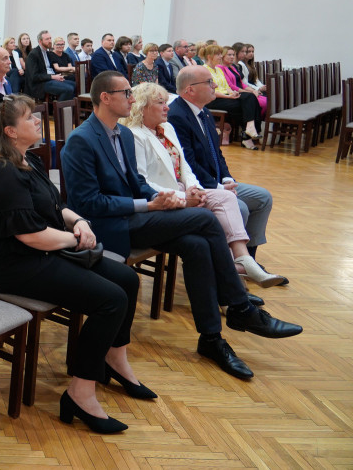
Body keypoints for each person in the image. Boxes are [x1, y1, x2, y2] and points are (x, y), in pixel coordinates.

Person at [61, 71, 301, 381]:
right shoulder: (83, 139)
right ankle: (241, 308)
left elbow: (135, 182)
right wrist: (149, 204)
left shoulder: (119, 134)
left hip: (133, 216)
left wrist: (159, 196)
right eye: (126, 93)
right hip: (110, 227)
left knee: (197, 245)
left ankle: (211, 339)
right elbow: (89, 204)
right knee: (203, 217)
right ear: (105, 98)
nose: (132, 99)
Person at [0, 94, 147, 434]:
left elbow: (55, 206)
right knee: (110, 300)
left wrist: (78, 221)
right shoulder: (0, 170)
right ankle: (80, 393)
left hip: (44, 250)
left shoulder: (28, 159)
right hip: (15, 264)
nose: (38, 121)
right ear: (10, 131)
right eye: (30, 118)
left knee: (126, 279)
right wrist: (76, 239)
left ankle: (114, 359)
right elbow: (30, 236)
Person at [125, 83, 286, 287]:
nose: (167, 107)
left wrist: (195, 188)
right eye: (160, 103)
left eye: (166, 102)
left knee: (229, 197)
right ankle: (232, 275)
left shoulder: (166, 127)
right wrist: (185, 197)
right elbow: (143, 182)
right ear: (142, 106)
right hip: (164, 199)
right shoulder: (134, 134)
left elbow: (185, 166)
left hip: (185, 190)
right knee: (221, 211)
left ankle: (242, 259)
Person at [168, 66, 284, 281]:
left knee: (262, 198)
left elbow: (217, 154)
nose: (215, 86)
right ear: (190, 90)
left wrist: (227, 178)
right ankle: (229, 270)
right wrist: (219, 187)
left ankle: (248, 259)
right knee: (238, 207)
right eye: (209, 82)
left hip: (217, 181)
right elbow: (188, 164)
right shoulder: (177, 116)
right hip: (198, 185)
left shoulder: (203, 111)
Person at [200, 45, 261, 147]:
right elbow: (209, 91)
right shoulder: (204, 70)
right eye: (218, 54)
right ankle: (249, 133)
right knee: (246, 103)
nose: (221, 56)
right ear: (210, 57)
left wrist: (233, 93)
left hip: (225, 96)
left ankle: (249, 129)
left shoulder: (218, 69)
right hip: (213, 100)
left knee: (250, 98)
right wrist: (228, 97)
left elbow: (227, 86)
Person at [25, 30, 75, 101]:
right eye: (47, 39)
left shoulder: (48, 53)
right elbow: (34, 76)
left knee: (75, 85)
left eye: (50, 38)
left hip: (51, 78)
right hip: (41, 83)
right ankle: (58, 110)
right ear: (40, 41)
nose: (50, 41)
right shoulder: (34, 54)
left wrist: (56, 76)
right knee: (68, 89)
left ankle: (68, 109)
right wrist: (52, 77)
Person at [221, 47, 266, 116]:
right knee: (256, 101)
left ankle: (256, 123)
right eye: (229, 55)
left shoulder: (233, 67)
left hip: (242, 90)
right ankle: (252, 124)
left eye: (233, 55)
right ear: (223, 56)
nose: (232, 57)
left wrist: (253, 90)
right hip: (235, 92)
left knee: (266, 101)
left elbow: (242, 83)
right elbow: (231, 86)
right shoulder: (221, 68)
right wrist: (250, 92)